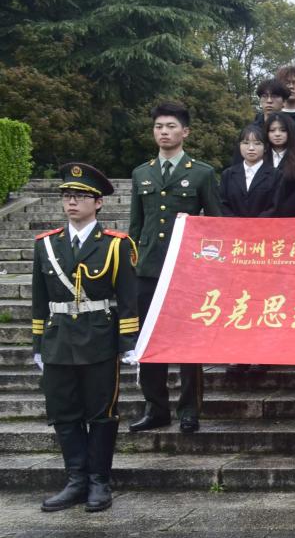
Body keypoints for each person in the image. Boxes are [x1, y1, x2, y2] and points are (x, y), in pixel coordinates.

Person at [32, 163, 139, 513]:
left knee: (101, 413)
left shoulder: (115, 245)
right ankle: (75, 480)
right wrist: (38, 345)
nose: (72, 202)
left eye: (80, 196)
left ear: (98, 203)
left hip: (98, 339)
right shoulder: (46, 245)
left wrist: (127, 343)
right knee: (64, 413)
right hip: (59, 339)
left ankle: (99, 482)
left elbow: (127, 298)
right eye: (67, 196)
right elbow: (38, 300)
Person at [128, 102, 222, 435]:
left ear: (185, 132)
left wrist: (206, 262)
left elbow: (217, 225)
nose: (164, 132)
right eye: (158, 126)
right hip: (149, 268)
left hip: (187, 269)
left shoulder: (202, 173)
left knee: (188, 341)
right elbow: (135, 226)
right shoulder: (142, 172)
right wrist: (132, 264)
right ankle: (155, 407)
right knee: (149, 338)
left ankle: (188, 410)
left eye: (170, 126)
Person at [220, 123, 279, 218]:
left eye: (257, 143)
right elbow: (222, 204)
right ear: (239, 146)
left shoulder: (276, 175)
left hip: (264, 229)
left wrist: (254, 225)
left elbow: (275, 206)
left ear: (265, 148)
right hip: (233, 229)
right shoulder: (228, 174)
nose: (251, 148)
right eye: (246, 143)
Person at [264, 113, 295, 217]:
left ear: (290, 132)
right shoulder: (259, 158)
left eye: (283, 130)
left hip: (291, 218)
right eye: (272, 130)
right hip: (261, 218)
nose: (277, 134)